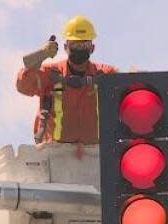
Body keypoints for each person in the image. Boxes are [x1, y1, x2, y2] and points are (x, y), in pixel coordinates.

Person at [16, 15, 117, 145]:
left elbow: (126, 88)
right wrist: (42, 54)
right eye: (75, 44)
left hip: (94, 154)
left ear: (92, 48)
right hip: (53, 153)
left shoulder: (103, 74)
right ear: (65, 47)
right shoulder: (51, 74)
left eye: (84, 44)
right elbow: (23, 85)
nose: (79, 48)